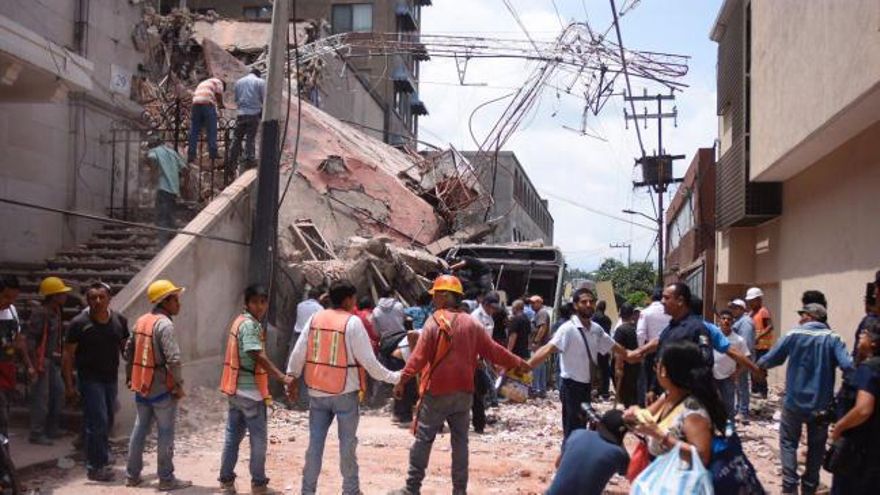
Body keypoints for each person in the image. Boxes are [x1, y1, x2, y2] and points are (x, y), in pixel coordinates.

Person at [390, 275, 529, 495]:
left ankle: (411, 488)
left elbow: (418, 358)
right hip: (464, 393)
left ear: (445, 296)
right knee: (460, 443)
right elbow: (494, 351)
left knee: (424, 439)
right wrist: (518, 362)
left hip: (436, 391)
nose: (433, 299)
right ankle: (459, 491)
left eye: (435, 294)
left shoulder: (434, 321)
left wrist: (403, 380)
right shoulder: (472, 323)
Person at [287, 280, 401, 495]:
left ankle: (307, 490)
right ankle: (350, 490)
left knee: (315, 445)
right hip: (345, 394)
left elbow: (298, 353)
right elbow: (370, 363)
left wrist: (291, 377)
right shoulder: (353, 323)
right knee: (347, 444)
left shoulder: (315, 318)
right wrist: (396, 377)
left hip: (317, 391)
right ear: (349, 299)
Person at [756, 303, 853, 495]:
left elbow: (770, 359)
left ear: (810, 317)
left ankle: (790, 486)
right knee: (816, 448)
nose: (800, 319)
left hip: (794, 403)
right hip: (821, 406)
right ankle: (809, 487)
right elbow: (848, 366)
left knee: (788, 443)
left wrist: (759, 366)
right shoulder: (834, 338)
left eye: (803, 315)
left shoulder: (794, 335)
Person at [528, 288, 640, 441]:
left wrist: (648, 349)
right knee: (572, 432)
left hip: (587, 388)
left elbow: (622, 351)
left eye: (591, 301)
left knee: (581, 430)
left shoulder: (596, 330)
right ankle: (568, 461)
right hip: (571, 387)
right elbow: (548, 349)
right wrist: (527, 366)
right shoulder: (568, 329)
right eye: (584, 302)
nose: (588, 304)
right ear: (575, 305)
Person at [218, 285, 294, 495]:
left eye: (263, 301)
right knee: (258, 441)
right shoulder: (251, 326)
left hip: (235, 390)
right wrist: (281, 376)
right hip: (250, 392)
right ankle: (258, 483)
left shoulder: (238, 321)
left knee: (232, 438)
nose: (260, 306)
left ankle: (226, 482)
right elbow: (256, 355)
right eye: (255, 302)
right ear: (247, 303)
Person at [124, 279, 191, 490]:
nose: (179, 304)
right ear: (166, 301)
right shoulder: (165, 325)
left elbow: (128, 352)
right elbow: (174, 359)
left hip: (142, 385)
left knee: (139, 430)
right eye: (176, 299)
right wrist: (178, 386)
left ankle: (132, 475)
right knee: (165, 433)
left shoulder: (141, 320)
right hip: (162, 388)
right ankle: (166, 479)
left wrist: (130, 377)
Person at [62, 282, 130, 482]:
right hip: (90, 380)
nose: (97, 301)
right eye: (93, 298)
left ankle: (94, 449)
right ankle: (95, 466)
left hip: (110, 379)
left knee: (107, 418)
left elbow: (125, 349)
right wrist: (69, 385)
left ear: (109, 298)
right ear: (87, 300)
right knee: (98, 420)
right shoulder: (79, 323)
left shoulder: (119, 321)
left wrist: (132, 370)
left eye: (102, 297)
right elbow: (67, 355)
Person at [624, 340, 728, 468]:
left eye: (658, 364)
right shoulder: (668, 396)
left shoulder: (693, 411)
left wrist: (659, 435)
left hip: (682, 483)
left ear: (664, 370)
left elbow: (702, 457)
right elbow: (646, 417)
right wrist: (634, 414)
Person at [829, 318, 880, 495]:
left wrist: (839, 427)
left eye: (863, 335)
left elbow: (863, 409)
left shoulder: (869, 368)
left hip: (859, 447)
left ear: (873, 341)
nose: (859, 338)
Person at [26, 277, 71, 445]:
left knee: (58, 393)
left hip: (52, 360)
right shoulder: (41, 313)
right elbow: (31, 341)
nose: (65, 296)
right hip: (41, 361)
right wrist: (33, 364)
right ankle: (36, 433)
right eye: (61, 293)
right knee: (41, 398)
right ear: (53, 296)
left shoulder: (56, 311)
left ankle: (52, 428)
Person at [546, 409, 630, 495]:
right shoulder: (618, 453)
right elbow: (628, 472)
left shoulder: (577, 434)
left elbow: (558, 464)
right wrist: (620, 443)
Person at [1, 274, 33, 437]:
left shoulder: (12, 312)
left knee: (5, 413)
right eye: (6, 297)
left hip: (8, 369)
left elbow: (19, 341)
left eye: (14, 298)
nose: (10, 301)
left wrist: (28, 365)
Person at [469, 292, 501, 432]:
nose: (493, 310)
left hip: (481, 358)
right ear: (485, 304)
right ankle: (478, 424)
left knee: (479, 390)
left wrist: (491, 360)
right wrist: (476, 358)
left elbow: (488, 342)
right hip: (472, 358)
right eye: (491, 307)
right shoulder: (475, 316)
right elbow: (471, 339)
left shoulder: (489, 318)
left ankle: (478, 423)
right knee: (476, 391)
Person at [146, 137, 186, 245]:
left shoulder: (154, 151)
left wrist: (153, 176)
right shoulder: (172, 152)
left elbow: (152, 159)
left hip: (163, 188)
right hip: (173, 190)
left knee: (162, 216)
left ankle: (162, 243)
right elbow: (183, 167)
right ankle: (173, 240)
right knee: (170, 214)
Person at [227, 68, 266, 179]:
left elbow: (236, 99)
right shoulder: (260, 82)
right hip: (254, 113)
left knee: (236, 138)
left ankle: (231, 160)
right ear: (258, 75)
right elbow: (264, 99)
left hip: (241, 113)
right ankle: (249, 159)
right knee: (250, 138)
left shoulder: (239, 82)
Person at [713, 309, 749, 424]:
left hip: (728, 378)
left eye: (729, 319)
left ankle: (730, 434)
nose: (726, 321)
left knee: (729, 407)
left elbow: (746, 359)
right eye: (723, 318)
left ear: (733, 322)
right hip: (711, 376)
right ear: (719, 321)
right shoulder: (712, 335)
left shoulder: (739, 340)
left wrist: (737, 373)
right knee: (711, 405)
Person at [636, 289, 671, 406]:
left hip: (651, 353)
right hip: (669, 352)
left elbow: (640, 334)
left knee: (648, 385)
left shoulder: (646, 312)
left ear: (651, 298)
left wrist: (642, 351)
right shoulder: (670, 312)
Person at [188, 76, 225, 164]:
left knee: (194, 130)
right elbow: (219, 94)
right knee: (211, 128)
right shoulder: (219, 82)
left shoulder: (203, 83)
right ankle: (213, 152)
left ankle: (191, 154)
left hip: (196, 104)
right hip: (207, 104)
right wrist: (221, 105)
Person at [729, 298, 755, 420]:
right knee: (738, 384)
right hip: (737, 357)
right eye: (732, 308)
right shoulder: (739, 321)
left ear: (741, 309)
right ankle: (738, 408)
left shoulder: (745, 322)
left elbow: (747, 342)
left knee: (742, 384)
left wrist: (743, 360)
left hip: (743, 358)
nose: (732, 310)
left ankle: (743, 411)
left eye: (735, 308)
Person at [746, 286, 774, 399]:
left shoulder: (763, 311)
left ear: (758, 299)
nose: (750, 303)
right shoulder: (751, 313)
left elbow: (770, 326)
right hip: (754, 346)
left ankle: (763, 393)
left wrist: (758, 336)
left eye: (752, 301)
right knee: (753, 368)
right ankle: (754, 391)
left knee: (760, 369)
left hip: (762, 346)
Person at [613, 303, 640, 407]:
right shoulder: (636, 328)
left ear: (620, 314)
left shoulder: (620, 330)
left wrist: (618, 368)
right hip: (636, 365)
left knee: (626, 395)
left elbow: (619, 351)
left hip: (625, 366)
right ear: (632, 314)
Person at [529, 295, 552, 398]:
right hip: (541, 344)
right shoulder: (539, 313)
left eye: (534, 303)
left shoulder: (542, 313)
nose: (531, 305)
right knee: (541, 367)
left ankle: (536, 389)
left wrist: (535, 341)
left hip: (539, 345)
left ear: (540, 302)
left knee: (536, 366)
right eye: (531, 303)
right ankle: (541, 389)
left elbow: (542, 328)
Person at [592, 300, 613, 399]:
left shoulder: (592, 318)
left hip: (594, 347)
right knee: (605, 369)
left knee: (593, 369)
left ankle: (594, 390)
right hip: (604, 347)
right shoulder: (608, 319)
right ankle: (604, 391)